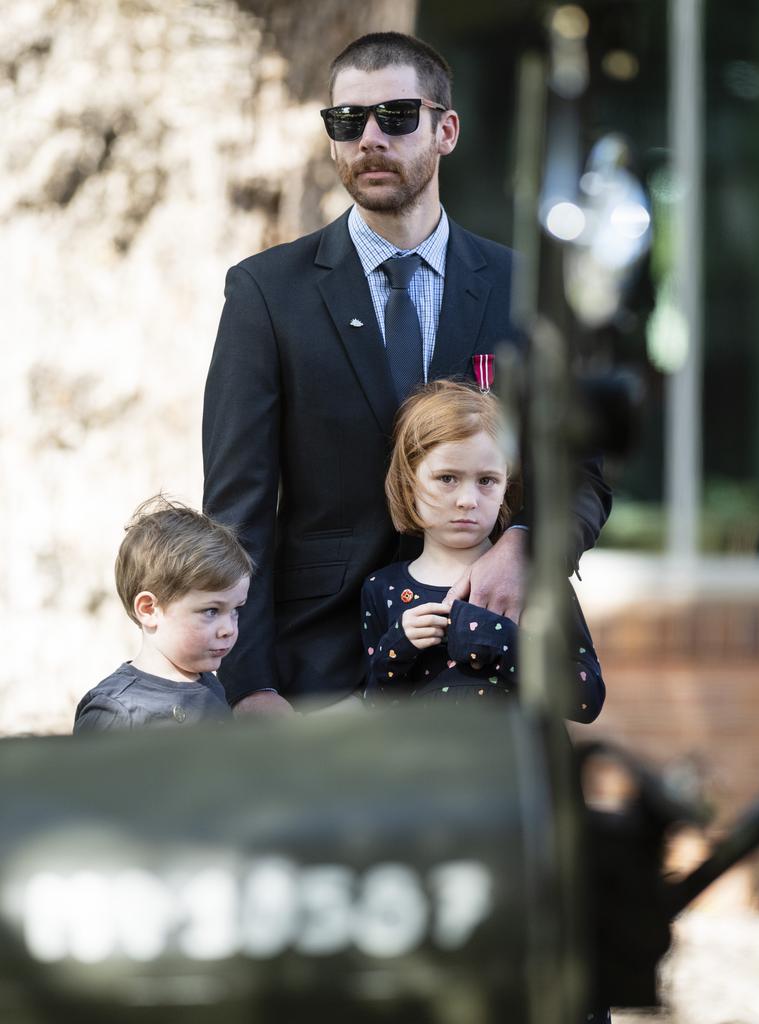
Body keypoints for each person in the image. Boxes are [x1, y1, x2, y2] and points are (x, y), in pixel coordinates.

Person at [202, 31, 611, 715]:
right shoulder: (265, 294)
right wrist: (249, 683)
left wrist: (527, 545)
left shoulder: (525, 289)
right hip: (317, 668)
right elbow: (237, 512)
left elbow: (584, 473)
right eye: (347, 120)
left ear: (445, 129)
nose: (369, 138)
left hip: (486, 660)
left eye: (395, 116)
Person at [361, 380, 605, 719]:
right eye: (447, 478)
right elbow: (377, 714)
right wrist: (397, 647)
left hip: (517, 766)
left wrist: (504, 641)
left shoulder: (535, 579)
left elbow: (586, 697)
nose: (467, 501)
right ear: (408, 482)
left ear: (507, 484)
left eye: (487, 481)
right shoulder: (382, 589)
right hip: (426, 769)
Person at [73, 496, 252, 732]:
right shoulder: (117, 712)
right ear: (149, 609)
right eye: (211, 611)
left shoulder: (211, 685)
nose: (228, 628)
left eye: (235, 610)